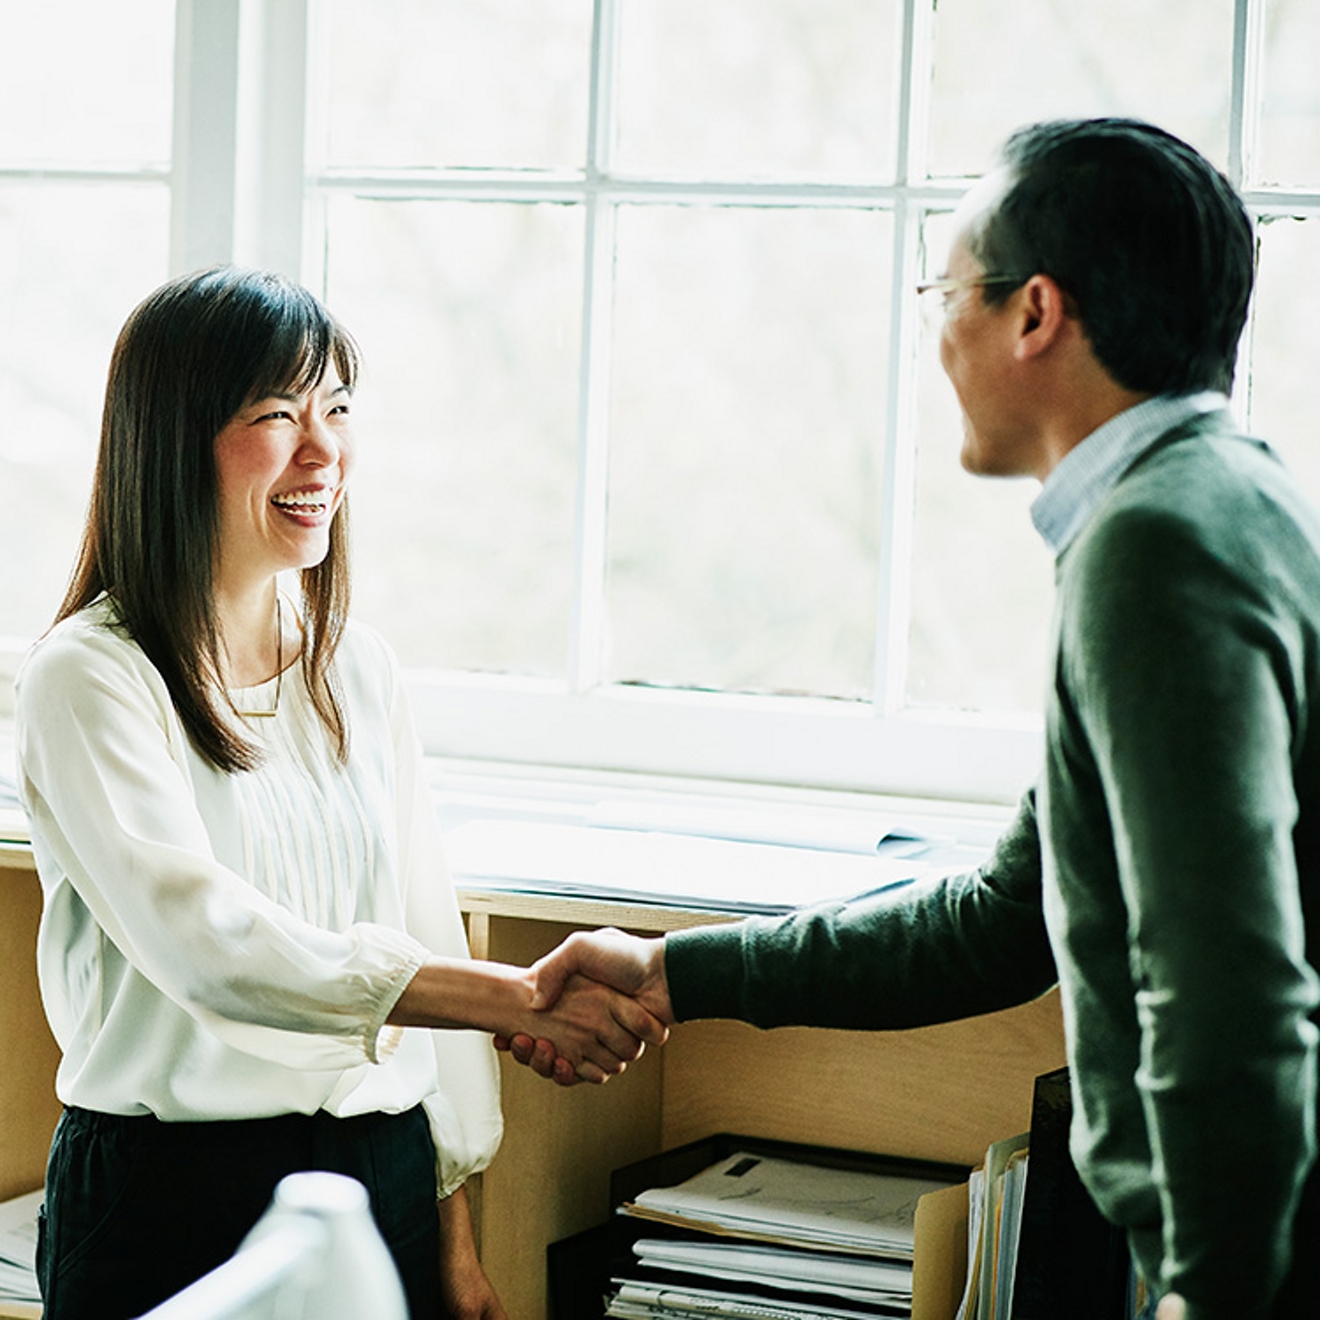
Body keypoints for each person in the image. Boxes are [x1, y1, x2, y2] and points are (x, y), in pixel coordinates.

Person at [501, 119, 1320, 1320]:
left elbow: (1225, 991)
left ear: (1035, 313)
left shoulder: (1155, 551)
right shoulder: (1228, 498)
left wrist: (1216, 1298)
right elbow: (1004, 920)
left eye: (949, 291)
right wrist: (677, 971)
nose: (938, 336)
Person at [14, 266, 665, 1320]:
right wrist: (517, 998)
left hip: (384, 1179)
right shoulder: (88, 677)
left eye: (339, 408)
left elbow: (419, 922)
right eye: (277, 414)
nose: (324, 452)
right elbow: (211, 946)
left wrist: (451, 1237)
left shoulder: (356, 669)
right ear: (171, 439)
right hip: (172, 1201)